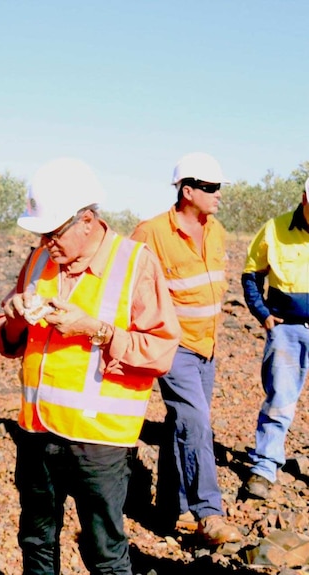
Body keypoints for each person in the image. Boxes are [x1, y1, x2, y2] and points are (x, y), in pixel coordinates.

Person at [0, 158, 180, 575]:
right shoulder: (39, 261)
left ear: (88, 221)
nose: (45, 243)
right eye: (41, 233)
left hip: (100, 440)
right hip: (37, 431)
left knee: (104, 552)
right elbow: (5, 337)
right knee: (37, 541)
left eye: (54, 232)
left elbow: (161, 350)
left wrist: (96, 330)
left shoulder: (135, 264)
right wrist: (16, 315)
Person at [130, 152, 241, 544]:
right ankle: (209, 511)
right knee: (196, 422)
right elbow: (124, 283)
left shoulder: (217, 231)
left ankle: (168, 508)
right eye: (210, 188)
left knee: (183, 425)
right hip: (173, 345)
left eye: (219, 188)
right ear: (187, 190)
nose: (217, 195)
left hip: (206, 345)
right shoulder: (152, 233)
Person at [240, 177, 309, 500]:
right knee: (280, 397)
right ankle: (265, 466)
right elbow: (251, 274)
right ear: (303, 199)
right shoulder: (275, 229)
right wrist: (262, 312)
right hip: (287, 329)